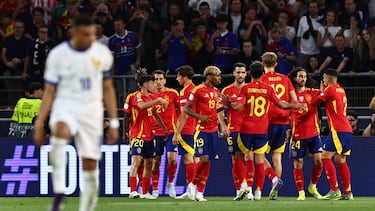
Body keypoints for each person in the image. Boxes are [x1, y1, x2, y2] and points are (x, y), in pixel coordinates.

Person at [33, 15, 119, 211]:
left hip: (92, 110)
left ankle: (85, 208)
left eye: (93, 34)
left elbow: (108, 89)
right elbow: (49, 91)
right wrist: (40, 122)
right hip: (66, 105)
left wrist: (114, 122)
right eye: (86, 34)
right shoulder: (58, 55)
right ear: (73, 32)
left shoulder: (102, 54)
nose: (91, 38)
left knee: (90, 165)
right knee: (60, 131)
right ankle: (60, 192)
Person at [231, 61, 303, 201]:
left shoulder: (246, 89)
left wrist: (231, 105)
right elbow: (281, 104)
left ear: (249, 73)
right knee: (259, 159)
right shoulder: (268, 89)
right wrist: (294, 106)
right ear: (262, 74)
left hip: (247, 129)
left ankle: (245, 187)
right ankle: (259, 192)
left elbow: (239, 107)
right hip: (262, 130)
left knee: (240, 156)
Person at [183, 65, 230, 201]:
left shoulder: (216, 91)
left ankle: (200, 192)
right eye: (218, 76)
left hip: (213, 131)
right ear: (209, 76)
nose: (220, 78)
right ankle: (192, 184)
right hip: (201, 130)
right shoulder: (198, 90)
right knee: (203, 159)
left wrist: (225, 107)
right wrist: (200, 117)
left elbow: (213, 110)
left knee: (208, 161)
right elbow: (186, 109)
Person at [312, 68, 353, 200]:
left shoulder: (330, 89)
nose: (323, 80)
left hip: (338, 129)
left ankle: (334, 190)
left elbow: (315, 101)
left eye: (324, 78)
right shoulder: (341, 89)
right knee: (340, 159)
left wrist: (321, 90)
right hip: (346, 129)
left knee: (324, 157)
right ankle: (347, 192)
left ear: (328, 79)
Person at [125, 70, 168, 199]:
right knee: (137, 161)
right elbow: (141, 106)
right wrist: (159, 100)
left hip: (150, 135)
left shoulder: (151, 98)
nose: (154, 84)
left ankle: (144, 192)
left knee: (149, 163)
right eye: (151, 82)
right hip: (137, 134)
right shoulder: (136, 96)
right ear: (144, 84)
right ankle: (132, 191)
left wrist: (164, 128)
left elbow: (155, 114)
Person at [261, 52, 298, 200]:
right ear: (276, 64)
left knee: (257, 154)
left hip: (265, 121)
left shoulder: (261, 79)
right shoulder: (285, 79)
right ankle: (273, 191)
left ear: (263, 63)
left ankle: (273, 179)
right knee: (277, 157)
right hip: (282, 122)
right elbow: (294, 102)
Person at [287, 67, 323, 200]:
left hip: (313, 133)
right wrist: (288, 129)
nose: (303, 79)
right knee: (298, 163)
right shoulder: (290, 96)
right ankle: (301, 193)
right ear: (295, 78)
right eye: (300, 76)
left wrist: (324, 88)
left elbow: (325, 96)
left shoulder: (312, 92)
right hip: (297, 135)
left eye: (305, 76)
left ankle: (313, 186)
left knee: (319, 161)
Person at [220, 62, 253, 200]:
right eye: (238, 72)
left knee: (250, 157)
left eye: (242, 72)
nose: (240, 75)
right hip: (233, 129)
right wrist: (223, 125)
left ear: (246, 74)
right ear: (233, 73)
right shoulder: (226, 91)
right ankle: (239, 188)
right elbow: (219, 111)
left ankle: (249, 189)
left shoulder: (251, 89)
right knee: (235, 159)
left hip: (249, 129)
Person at [150, 70, 179, 198]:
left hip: (171, 131)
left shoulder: (172, 93)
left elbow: (181, 110)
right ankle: (155, 189)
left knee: (172, 159)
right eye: (156, 79)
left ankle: (171, 183)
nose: (158, 81)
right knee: (156, 161)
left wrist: (178, 128)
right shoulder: (149, 96)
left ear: (165, 80)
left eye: (161, 79)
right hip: (155, 133)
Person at [172, 65, 197, 200]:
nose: (177, 79)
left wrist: (177, 132)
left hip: (186, 129)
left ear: (185, 77)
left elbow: (184, 114)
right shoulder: (195, 89)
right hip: (193, 128)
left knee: (188, 159)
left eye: (178, 76)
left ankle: (192, 190)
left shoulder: (185, 91)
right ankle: (192, 189)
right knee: (192, 158)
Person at [1, 19, 31, 89]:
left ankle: (18, 98)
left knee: (19, 83)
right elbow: (3, 55)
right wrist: (7, 63)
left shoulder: (27, 41)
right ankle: (11, 99)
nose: (18, 29)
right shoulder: (8, 39)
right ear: (14, 28)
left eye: (20, 27)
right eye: (16, 27)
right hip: (8, 67)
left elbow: (29, 56)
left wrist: (20, 60)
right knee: (7, 76)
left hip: (21, 68)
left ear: (23, 29)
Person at [296, 0, 321, 69]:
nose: (312, 9)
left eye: (314, 7)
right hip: (303, 52)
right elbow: (298, 37)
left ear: (318, 9)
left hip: (316, 52)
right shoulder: (303, 19)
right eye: (310, 7)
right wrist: (299, 50)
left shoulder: (321, 21)